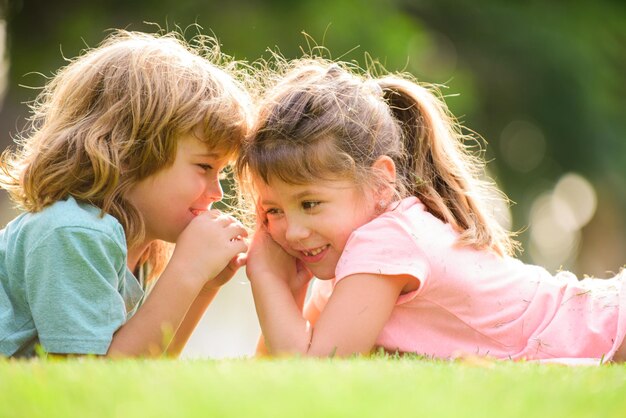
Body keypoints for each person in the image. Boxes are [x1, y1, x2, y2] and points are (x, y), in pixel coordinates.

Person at [238, 58, 626, 363]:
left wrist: (266, 275)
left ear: (379, 183)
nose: (292, 231)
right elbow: (277, 365)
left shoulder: (385, 242)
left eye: (310, 203)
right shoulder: (359, 258)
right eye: (273, 211)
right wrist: (293, 285)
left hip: (608, 327)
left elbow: (312, 368)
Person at [0, 30, 252, 358]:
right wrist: (186, 272)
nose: (217, 192)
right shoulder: (74, 232)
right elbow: (90, 380)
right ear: (129, 154)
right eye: (205, 167)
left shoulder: (136, 242)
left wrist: (202, 286)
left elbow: (140, 365)